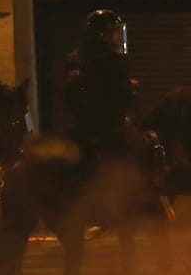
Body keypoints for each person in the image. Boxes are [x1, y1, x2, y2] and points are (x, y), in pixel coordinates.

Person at [60, 9, 141, 174]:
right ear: (101, 35)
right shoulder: (91, 61)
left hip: (101, 125)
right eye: (113, 33)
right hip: (99, 127)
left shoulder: (106, 61)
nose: (118, 38)